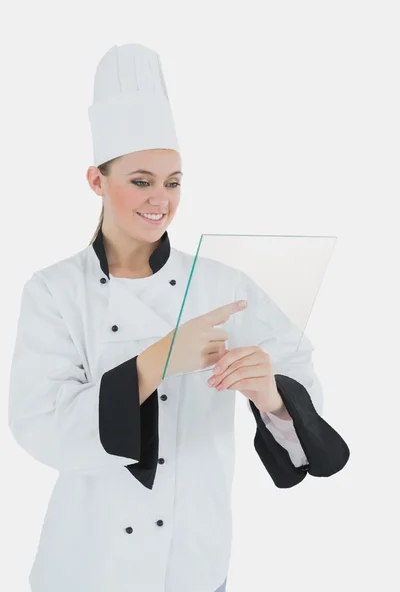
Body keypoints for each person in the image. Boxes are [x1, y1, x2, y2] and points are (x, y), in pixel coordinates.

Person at [8, 43, 350, 592]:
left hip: (194, 563)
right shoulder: (54, 292)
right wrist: (156, 361)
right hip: (83, 567)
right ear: (97, 180)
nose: (161, 200)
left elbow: (301, 392)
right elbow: (41, 429)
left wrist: (271, 395)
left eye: (173, 181)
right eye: (141, 180)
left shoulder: (224, 286)